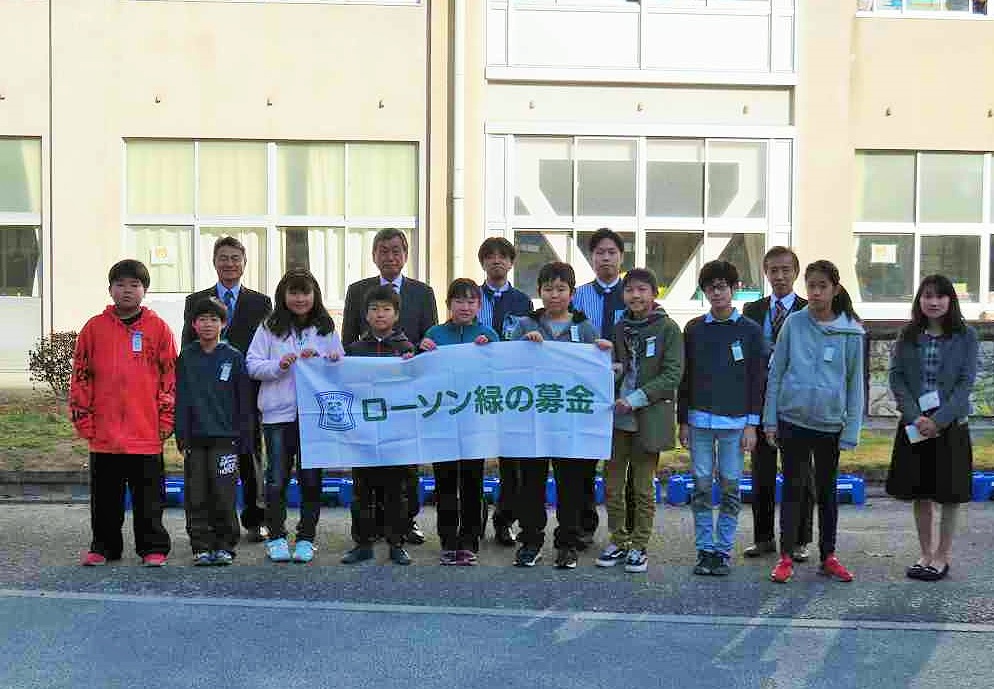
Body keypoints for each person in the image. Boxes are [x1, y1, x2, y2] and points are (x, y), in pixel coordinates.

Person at [765, 260, 864, 584]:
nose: (817, 293)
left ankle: (829, 555)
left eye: (823, 286)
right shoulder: (793, 324)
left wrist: (851, 431)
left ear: (835, 289)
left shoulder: (851, 330)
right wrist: (770, 421)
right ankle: (785, 556)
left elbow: (854, 385)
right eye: (812, 286)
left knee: (827, 491)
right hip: (792, 421)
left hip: (830, 424)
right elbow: (776, 374)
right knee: (793, 489)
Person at [509, 262, 613, 569]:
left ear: (571, 293)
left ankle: (567, 542)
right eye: (548, 289)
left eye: (561, 289)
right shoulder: (524, 325)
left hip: (571, 423)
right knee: (530, 483)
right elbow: (505, 367)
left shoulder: (585, 328)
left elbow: (598, 370)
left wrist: (603, 353)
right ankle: (530, 540)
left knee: (571, 484)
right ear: (539, 292)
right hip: (533, 421)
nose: (554, 295)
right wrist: (522, 347)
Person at [72, 259, 175, 567]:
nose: (127, 291)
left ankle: (153, 547)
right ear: (110, 290)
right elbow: (81, 375)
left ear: (145, 291)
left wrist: (166, 418)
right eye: (121, 285)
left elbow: (170, 376)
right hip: (104, 435)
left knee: (149, 499)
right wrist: (83, 418)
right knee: (105, 499)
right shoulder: (93, 328)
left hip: (146, 432)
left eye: (134, 285)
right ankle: (103, 547)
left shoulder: (158, 329)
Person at [341, 228, 438, 545]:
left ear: (406, 255)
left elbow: (429, 340)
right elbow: (348, 341)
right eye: (383, 250)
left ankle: (406, 523)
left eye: (396, 250)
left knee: (406, 464)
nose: (390, 256)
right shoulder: (358, 291)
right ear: (373, 255)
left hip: (405, 394)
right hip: (367, 392)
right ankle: (371, 527)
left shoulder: (422, 292)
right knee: (368, 463)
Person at [246, 268, 344, 564]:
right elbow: (252, 365)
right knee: (276, 479)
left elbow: (340, 368)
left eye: (305, 292)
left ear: (315, 296)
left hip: (314, 415)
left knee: (311, 478)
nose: (300, 299)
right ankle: (276, 536)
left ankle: (306, 538)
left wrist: (330, 360)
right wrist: (279, 365)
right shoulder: (268, 327)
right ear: (283, 296)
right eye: (294, 292)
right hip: (278, 415)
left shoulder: (326, 329)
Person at [886, 275, 978, 582]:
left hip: (950, 425)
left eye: (940, 296)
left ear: (950, 300)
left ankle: (942, 556)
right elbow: (897, 378)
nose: (934, 301)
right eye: (927, 296)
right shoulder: (908, 334)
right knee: (920, 493)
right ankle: (925, 553)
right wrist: (915, 417)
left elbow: (966, 383)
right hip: (915, 424)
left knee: (949, 495)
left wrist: (939, 420)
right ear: (919, 300)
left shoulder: (966, 336)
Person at [678, 261, 766, 577]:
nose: (717, 292)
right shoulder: (694, 329)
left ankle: (724, 549)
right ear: (704, 292)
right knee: (701, 486)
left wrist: (752, 424)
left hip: (736, 424)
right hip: (699, 420)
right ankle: (705, 549)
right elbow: (684, 379)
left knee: (730, 486)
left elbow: (758, 379)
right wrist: (683, 421)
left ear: (733, 289)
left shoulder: (750, 331)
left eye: (722, 286)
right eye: (710, 287)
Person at [182, 236, 272, 541]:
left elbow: (266, 345)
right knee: (209, 460)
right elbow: (187, 346)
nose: (229, 263)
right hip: (209, 394)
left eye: (235, 258)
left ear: (244, 263)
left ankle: (254, 519)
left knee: (250, 453)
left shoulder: (261, 303)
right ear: (214, 261)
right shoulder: (196, 301)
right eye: (223, 257)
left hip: (247, 390)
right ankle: (214, 522)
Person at [596, 268, 683, 574]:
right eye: (630, 290)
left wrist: (634, 399)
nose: (636, 295)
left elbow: (672, 375)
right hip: (618, 419)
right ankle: (619, 540)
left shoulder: (668, 328)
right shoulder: (620, 328)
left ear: (654, 293)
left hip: (648, 416)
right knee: (614, 485)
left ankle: (639, 545)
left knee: (643, 487)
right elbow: (622, 368)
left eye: (642, 290)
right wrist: (609, 364)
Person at [420, 279, 501, 565]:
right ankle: (447, 540)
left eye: (471, 302)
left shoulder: (488, 334)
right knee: (444, 482)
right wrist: (422, 353)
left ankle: (470, 540)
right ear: (449, 305)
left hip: (475, 421)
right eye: (459, 301)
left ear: (479, 306)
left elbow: (500, 372)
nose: (464, 307)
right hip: (442, 421)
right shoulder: (434, 334)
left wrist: (490, 349)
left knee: (471, 481)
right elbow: (421, 376)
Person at [742, 246, 814, 562]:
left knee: (800, 473)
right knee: (762, 472)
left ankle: (799, 540)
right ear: (765, 273)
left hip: (797, 402)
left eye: (786, 269)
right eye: (773, 270)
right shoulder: (752, 310)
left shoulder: (808, 308)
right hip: (761, 401)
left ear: (796, 273)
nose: (780, 276)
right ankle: (763, 538)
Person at [341, 285, 417, 566]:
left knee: (396, 491)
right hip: (364, 432)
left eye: (386, 309)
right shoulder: (355, 349)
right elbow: (343, 384)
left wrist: (415, 363)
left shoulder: (407, 349)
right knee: (362, 490)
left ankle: (397, 542)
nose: (380, 314)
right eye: (374, 309)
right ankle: (362, 542)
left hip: (396, 433)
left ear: (396, 315)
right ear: (366, 315)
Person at [175, 297, 254, 566]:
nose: (208, 324)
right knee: (196, 494)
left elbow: (244, 402)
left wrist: (245, 436)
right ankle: (200, 545)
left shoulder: (233, 357)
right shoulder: (187, 356)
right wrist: (181, 434)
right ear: (193, 324)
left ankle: (225, 545)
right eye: (202, 319)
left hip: (226, 440)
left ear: (224, 323)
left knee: (224, 494)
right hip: (195, 440)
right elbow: (182, 398)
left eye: (214, 319)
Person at [571, 228, 628, 548]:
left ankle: (627, 530)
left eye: (611, 252)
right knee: (583, 461)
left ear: (621, 256)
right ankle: (584, 525)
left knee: (623, 462)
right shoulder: (577, 296)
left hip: (624, 389)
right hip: (586, 389)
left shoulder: (634, 293)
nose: (605, 258)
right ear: (591, 258)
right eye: (599, 253)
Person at [476, 237, 533, 547]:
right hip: (475, 388)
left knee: (513, 462)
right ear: (482, 262)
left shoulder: (523, 302)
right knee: (471, 456)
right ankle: (472, 520)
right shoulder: (470, 296)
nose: (496, 261)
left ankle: (504, 520)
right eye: (490, 256)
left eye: (503, 256)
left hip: (510, 392)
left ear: (511, 263)